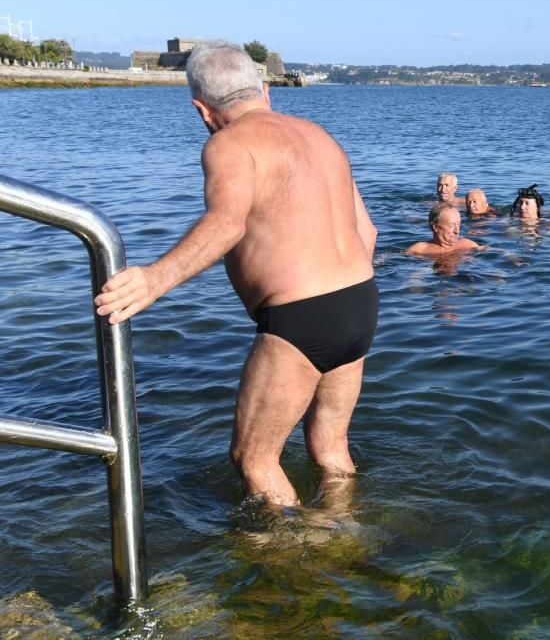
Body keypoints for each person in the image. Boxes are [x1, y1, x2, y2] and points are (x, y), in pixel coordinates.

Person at [93, 41, 379, 508]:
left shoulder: (228, 143)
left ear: (202, 110)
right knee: (330, 447)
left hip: (300, 317)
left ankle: (289, 572)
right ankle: (344, 538)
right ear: (265, 90)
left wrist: (153, 280)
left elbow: (227, 223)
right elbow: (367, 231)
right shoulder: (320, 136)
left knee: (254, 459)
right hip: (359, 301)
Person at [406, 203, 481, 256]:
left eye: (458, 224)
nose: (457, 231)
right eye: (451, 226)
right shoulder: (420, 250)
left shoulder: (468, 245)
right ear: (436, 227)